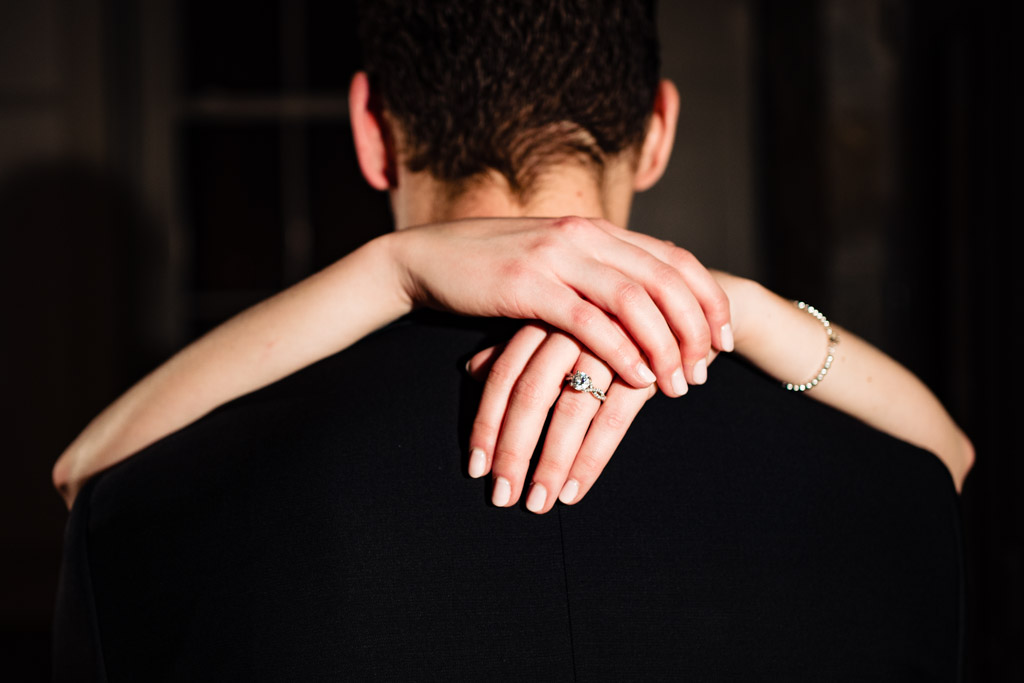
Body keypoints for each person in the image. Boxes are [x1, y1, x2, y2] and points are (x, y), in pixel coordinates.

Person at [53, 1, 972, 679]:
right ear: (658, 131)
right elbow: (947, 456)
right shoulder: (881, 481)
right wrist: (729, 310)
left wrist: (387, 270)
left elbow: (85, 478)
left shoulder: (175, 496)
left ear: (374, 132)